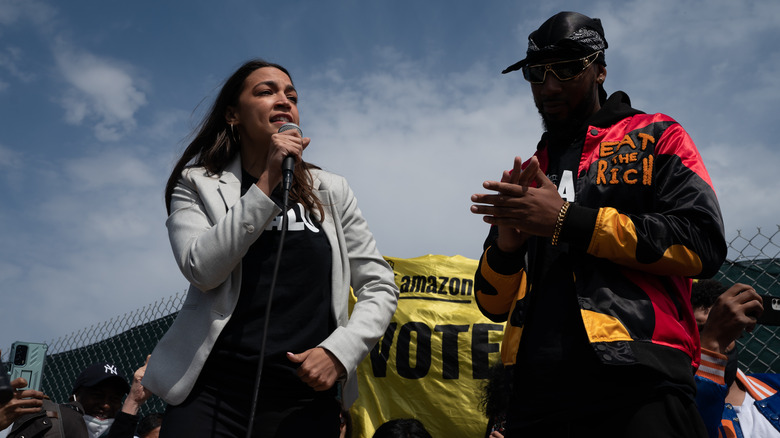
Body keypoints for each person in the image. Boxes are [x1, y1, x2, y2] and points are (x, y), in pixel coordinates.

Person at [470, 11, 727, 437]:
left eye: (568, 69)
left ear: (600, 70)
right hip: (534, 394)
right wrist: (506, 247)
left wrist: (568, 221)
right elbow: (491, 305)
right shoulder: (534, 169)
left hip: (637, 382)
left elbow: (703, 243)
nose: (549, 86)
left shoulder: (657, 135)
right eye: (537, 73)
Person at [141, 59, 399, 437]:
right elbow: (202, 268)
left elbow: (379, 286)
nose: (284, 101)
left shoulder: (332, 190)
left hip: (304, 400)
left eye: (291, 96)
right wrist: (267, 183)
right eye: (266, 92)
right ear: (233, 114)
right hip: (212, 396)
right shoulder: (197, 183)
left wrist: (340, 352)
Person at [692, 279, 780, 438]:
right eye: (702, 330)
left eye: (723, 326)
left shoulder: (774, 387)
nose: (717, 334)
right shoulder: (674, 407)